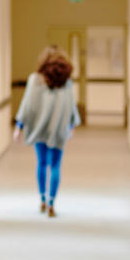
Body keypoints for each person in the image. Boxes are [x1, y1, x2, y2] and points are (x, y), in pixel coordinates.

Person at [13, 45, 81, 218]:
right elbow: (71, 106)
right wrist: (71, 125)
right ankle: (51, 203)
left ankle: (42, 199)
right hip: (58, 130)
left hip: (39, 129)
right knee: (56, 165)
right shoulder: (66, 81)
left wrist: (19, 126)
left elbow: (27, 105)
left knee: (42, 163)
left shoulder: (35, 79)